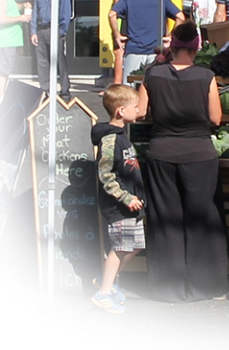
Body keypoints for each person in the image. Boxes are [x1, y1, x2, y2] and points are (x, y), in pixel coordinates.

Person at [136, 22, 229, 302]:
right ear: (197, 46)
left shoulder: (152, 75)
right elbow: (215, 119)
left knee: (165, 219)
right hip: (199, 153)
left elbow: (140, 112)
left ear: (171, 45)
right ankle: (205, 286)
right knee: (201, 219)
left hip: (161, 151)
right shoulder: (206, 76)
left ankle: (168, 288)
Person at [90, 84, 146, 314]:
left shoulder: (123, 135)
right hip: (119, 206)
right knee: (120, 248)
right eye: (136, 107)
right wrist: (125, 197)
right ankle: (103, 292)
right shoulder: (111, 139)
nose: (140, 110)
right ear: (121, 111)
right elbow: (105, 174)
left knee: (136, 245)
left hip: (132, 203)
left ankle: (106, 278)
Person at [108, 0, 185, 84]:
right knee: (156, 86)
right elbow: (181, 17)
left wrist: (117, 35)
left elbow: (112, 14)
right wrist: (171, 36)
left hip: (134, 49)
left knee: (130, 89)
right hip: (157, 50)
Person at [30, 0, 72, 101]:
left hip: (55, 29)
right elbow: (36, 11)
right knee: (42, 62)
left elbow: (66, 11)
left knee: (60, 61)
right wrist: (33, 31)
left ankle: (65, 91)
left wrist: (61, 31)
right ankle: (46, 91)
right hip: (41, 29)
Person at [111, 0, 137, 85]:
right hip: (138, 16)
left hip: (126, 16)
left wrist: (115, 9)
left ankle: (117, 83)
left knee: (119, 49)